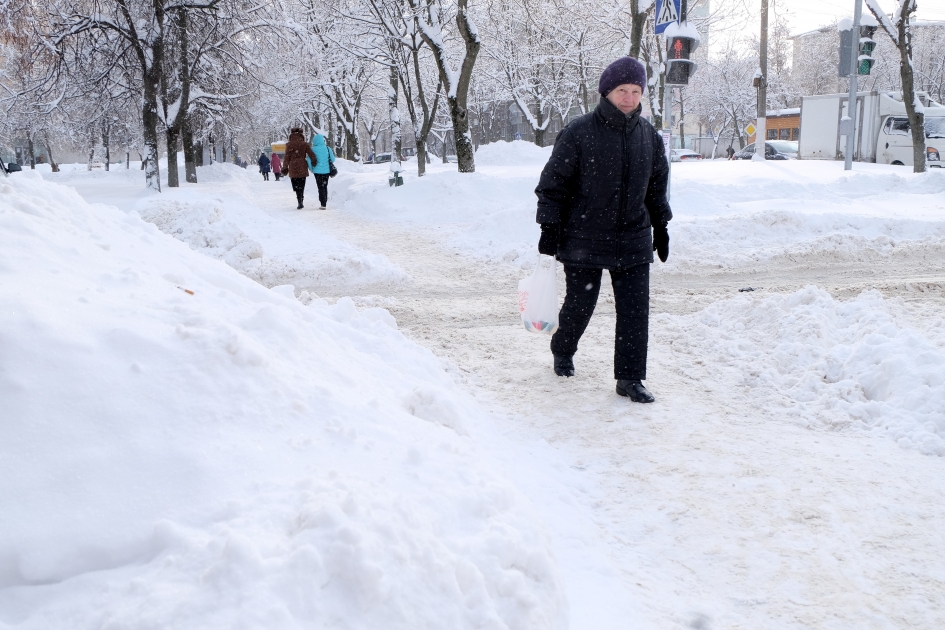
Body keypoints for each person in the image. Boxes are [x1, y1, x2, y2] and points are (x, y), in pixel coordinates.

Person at [534, 56, 672, 404]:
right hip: (584, 237)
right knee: (581, 303)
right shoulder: (579, 132)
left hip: (634, 237)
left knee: (635, 311)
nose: (629, 98)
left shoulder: (649, 137)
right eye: (622, 90)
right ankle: (562, 349)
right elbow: (553, 184)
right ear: (607, 92)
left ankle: (629, 378)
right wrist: (549, 227)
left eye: (636, 91)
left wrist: (662, 226)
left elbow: (657, 187)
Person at [280, 127, 318, 208]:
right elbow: (311, 154)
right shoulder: (304, 144)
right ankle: (300, 199)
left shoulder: (289, 145)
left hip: (293, 166)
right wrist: (314, 161)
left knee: (295, 184)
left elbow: (287, 157)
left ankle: (298, 196)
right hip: (302, 166)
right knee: (302, 184)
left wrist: (285, 167)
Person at [306, 132, 336, 209]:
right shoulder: (327, 148)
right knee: (325, 186)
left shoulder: (312, 149)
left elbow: (309, 160)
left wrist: (311, 169)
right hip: (326, 171)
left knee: (320, 187)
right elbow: (333, 159)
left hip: (317, 171)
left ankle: (322, 203)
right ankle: (324, 202)